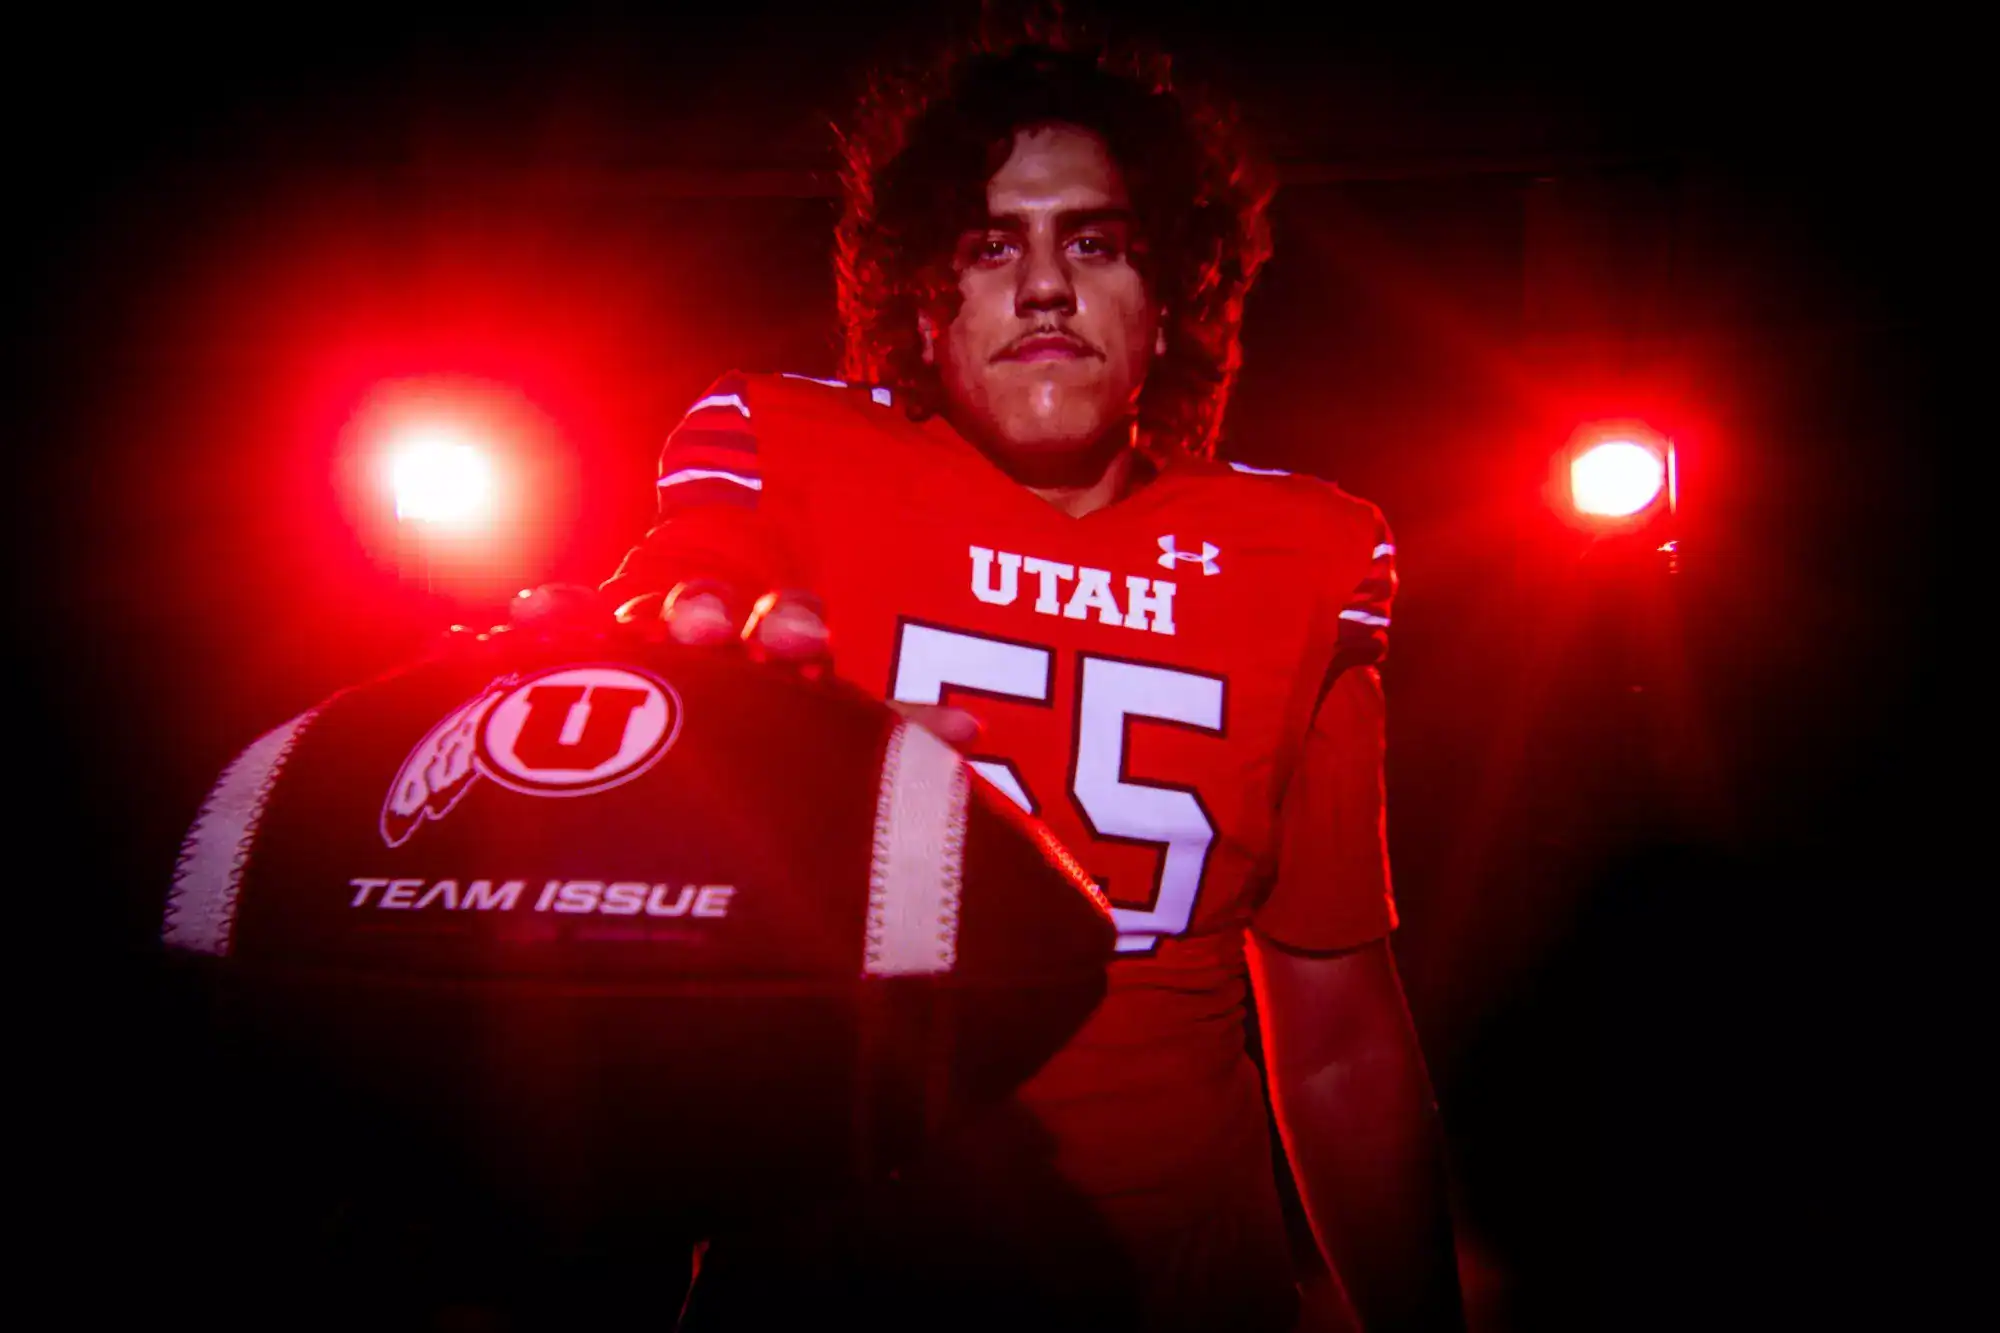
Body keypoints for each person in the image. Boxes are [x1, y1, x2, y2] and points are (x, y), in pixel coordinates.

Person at [601, 32, 1465, 1333]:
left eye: (1097, 242)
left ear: (1171, 300)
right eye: (994, 244)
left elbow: (1338, 1034)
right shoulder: (781, 457)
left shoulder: (1308, 561)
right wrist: (665, 675)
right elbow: (680, 610)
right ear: (926, 304)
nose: (1048, 285)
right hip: (841, 1283)